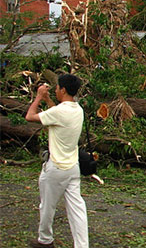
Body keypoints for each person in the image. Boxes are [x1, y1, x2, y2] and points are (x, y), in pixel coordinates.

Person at [26, 74, 89, 248]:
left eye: (56, 88)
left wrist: (39, 96)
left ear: (63, 90)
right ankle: (82, 245)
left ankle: (45, 240)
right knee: (77, 209)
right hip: (72, 167)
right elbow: (55, 114)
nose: (55, 91)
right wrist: (47, 99)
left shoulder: (59, 112)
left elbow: (30, 116)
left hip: (55, 168)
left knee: (47, 206)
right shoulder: (77, 110)